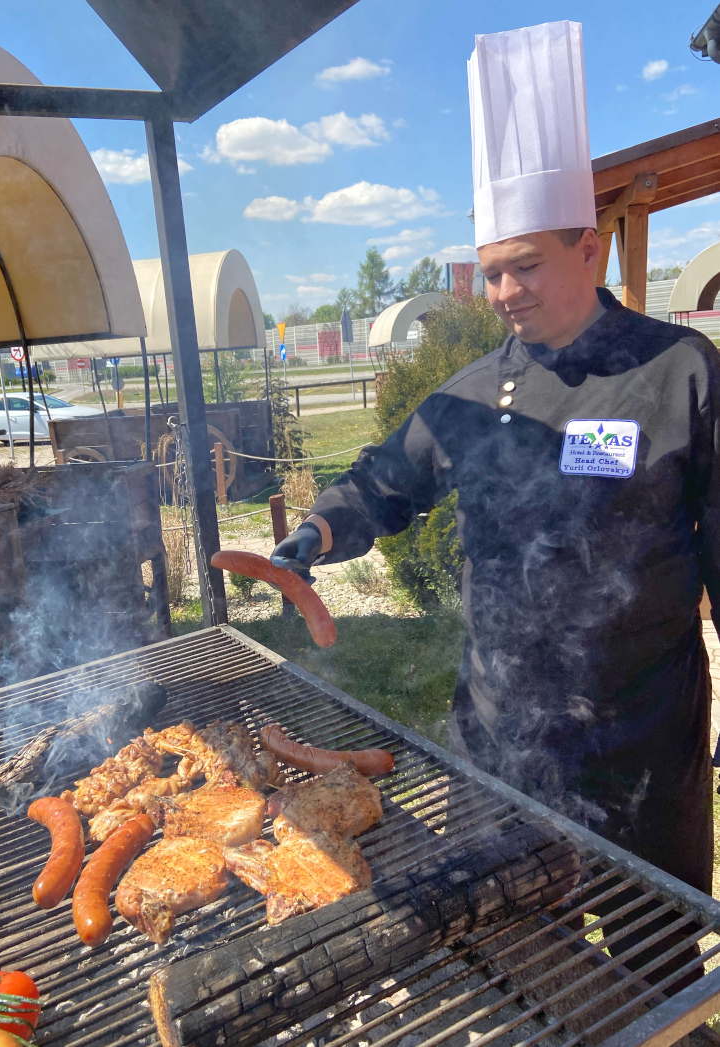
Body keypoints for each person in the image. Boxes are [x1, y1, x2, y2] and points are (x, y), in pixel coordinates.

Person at [270, 21, 718, 980]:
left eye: (524, 264)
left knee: (655, 967)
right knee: (511, 957)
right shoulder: (467, 395)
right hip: (498, 739)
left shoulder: (680, 372)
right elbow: (382, 484)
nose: (502, 289)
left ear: (588, 248)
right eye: (490, 267)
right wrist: (316, 531)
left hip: (638, 747)